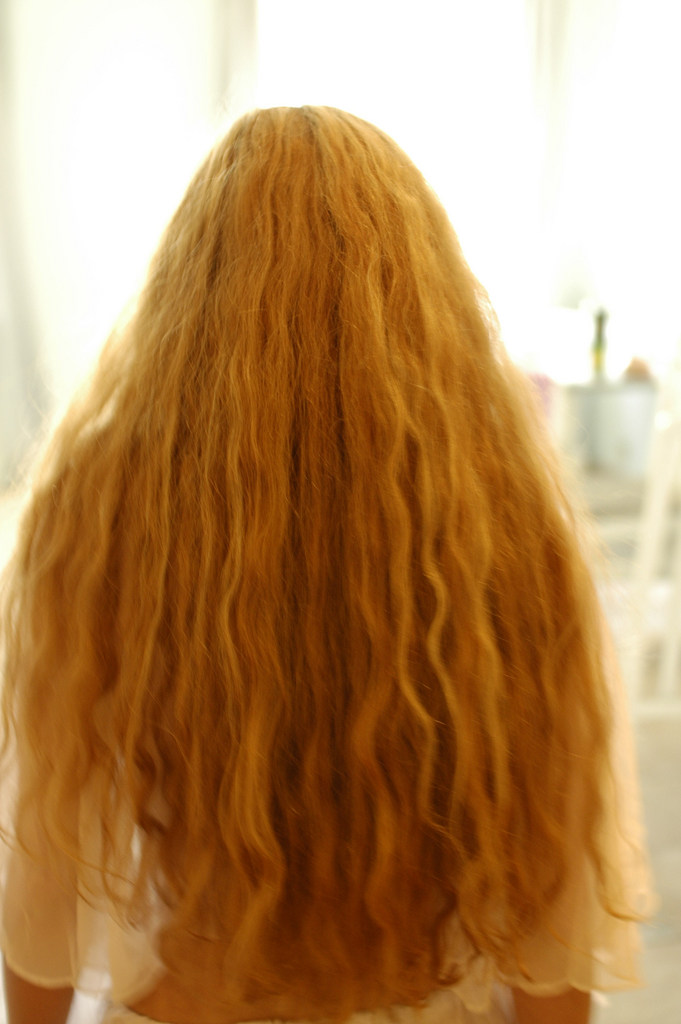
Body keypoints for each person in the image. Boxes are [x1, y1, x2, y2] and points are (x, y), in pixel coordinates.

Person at [0, 106, 652, 1024]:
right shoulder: (508, 529)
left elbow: (41, 858)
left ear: (191, 285)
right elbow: (555, 884)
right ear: (421, 290)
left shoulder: (92, 513)